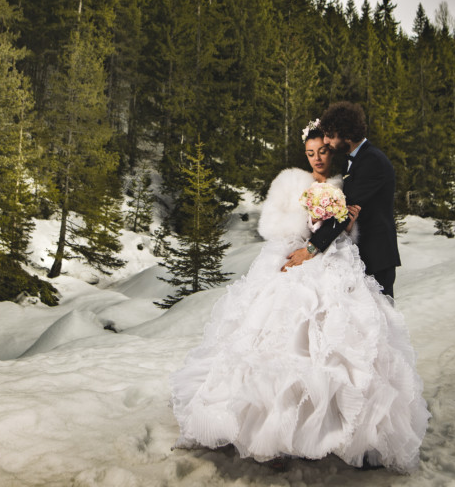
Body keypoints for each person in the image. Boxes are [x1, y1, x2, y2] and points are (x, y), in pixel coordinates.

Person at [168, 117, 429, 473]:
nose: (318, 158)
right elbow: (268, 225)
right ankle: (271, 434)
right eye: (311, 152)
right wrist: (306, 224)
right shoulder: (290, 180)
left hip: (330, 261)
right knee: (279, 335)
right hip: (291, 257)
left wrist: (342, 223)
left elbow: (344, 234)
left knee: (338, 338)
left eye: (323, 151)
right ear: (303, 153)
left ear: (331, 151)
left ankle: (332, 431)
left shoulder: (342, 183)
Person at [283, 101, 400, 299]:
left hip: (377, 254)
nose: (326, 141)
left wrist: (311, 249)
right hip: (362, 253)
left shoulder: (372, 161)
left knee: (379, 320)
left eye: (330, 135)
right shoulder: (353, 158)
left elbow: (343, 210)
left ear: (346, 133)